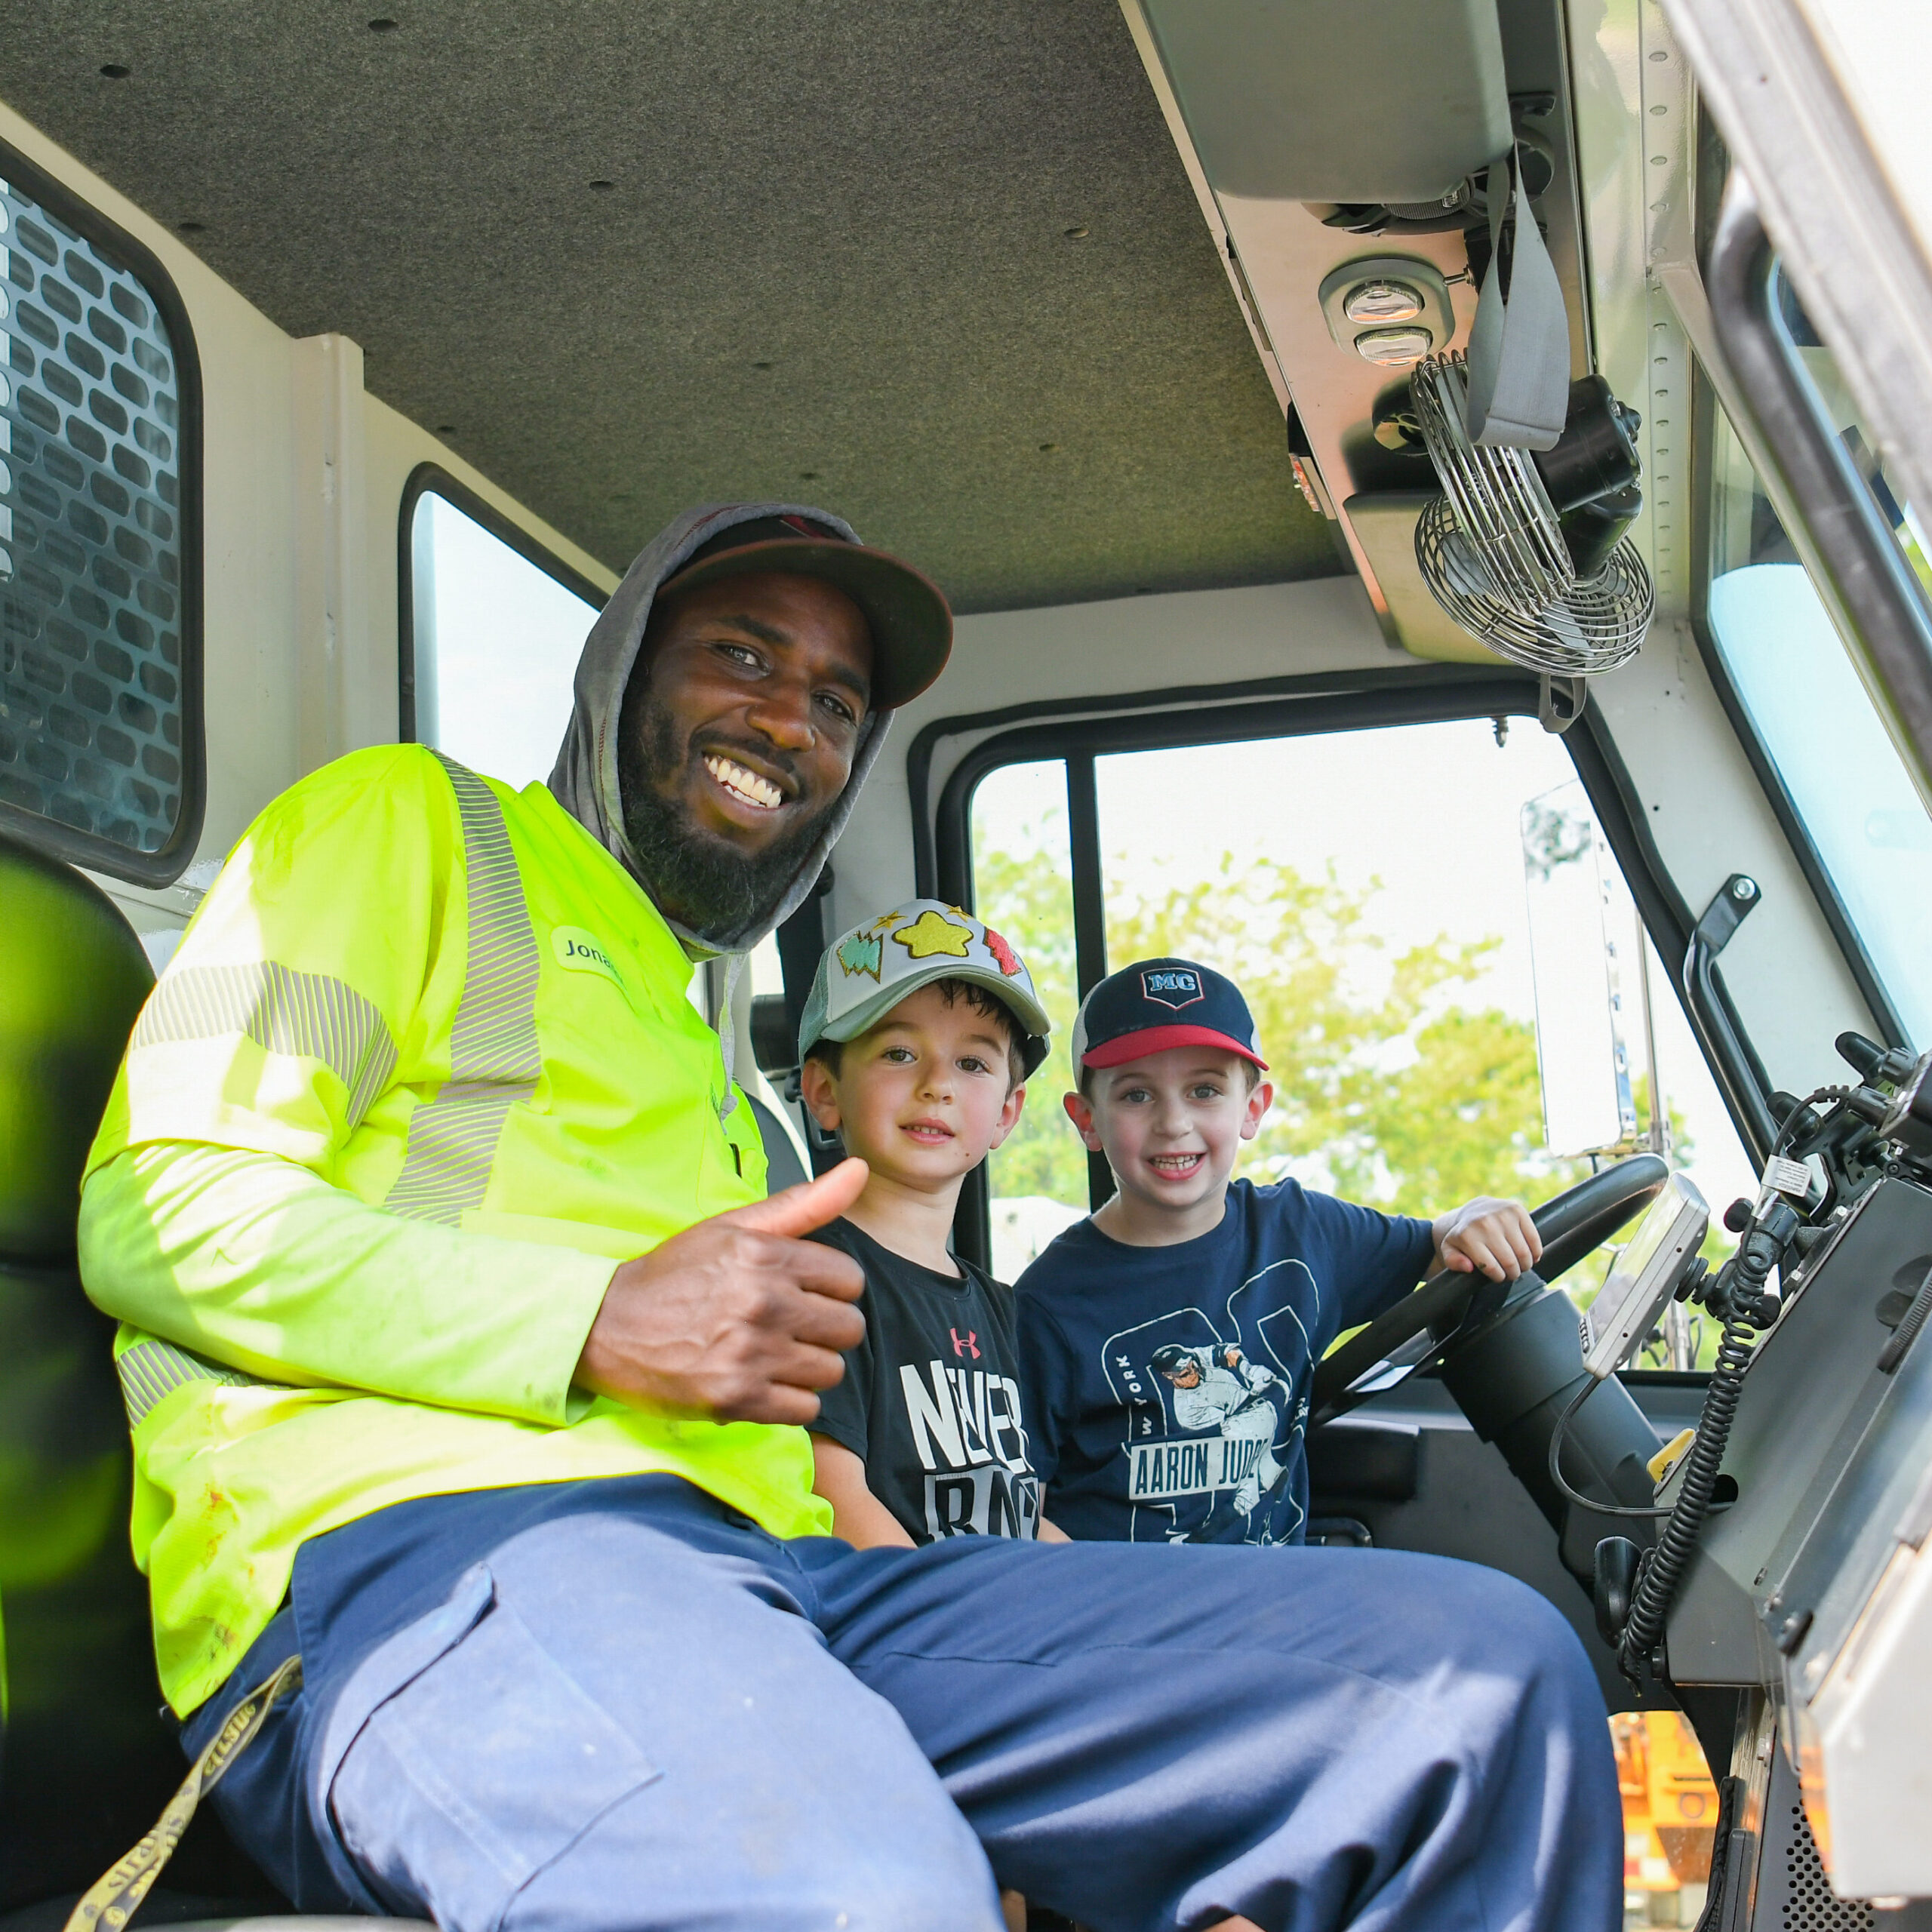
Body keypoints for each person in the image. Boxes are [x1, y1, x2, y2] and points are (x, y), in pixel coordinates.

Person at [77, 503, 1620, 1932]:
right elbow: (160, 1210)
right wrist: (594, 1317)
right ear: (616, 674)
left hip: (784, 1584)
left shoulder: (710, 1061)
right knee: (858, 1895)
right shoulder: (409, 828)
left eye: (831, 704)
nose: (785, 718)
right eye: (740, 653)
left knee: (1474, 1683)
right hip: (428, 1569)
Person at [1017, 957, 1545, 1549]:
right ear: (1087, 1121)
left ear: (1253, 1108)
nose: (1174, 1122)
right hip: (1126, 1619)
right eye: (1137, 1095)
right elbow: (1017, 1508)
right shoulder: (1047, 1303)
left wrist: (1470, 1218)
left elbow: (1432, 1245)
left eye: (1205, 1090)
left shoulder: (1300, 1231)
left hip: (1273, 1604)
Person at [794, 897, 1063, 1549]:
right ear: (825, 1091)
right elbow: (834, 1494)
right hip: (909, 1620)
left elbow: (1023, 1511)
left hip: (998, 1605)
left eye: (973, 1064)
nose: (939, 1083)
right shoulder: (815, 1277)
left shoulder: (1002, 1311)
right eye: (898, 1054)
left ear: (1007, 1112)